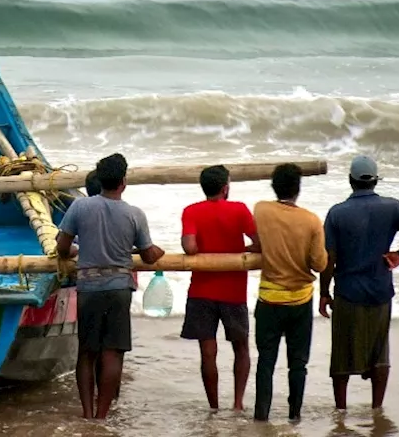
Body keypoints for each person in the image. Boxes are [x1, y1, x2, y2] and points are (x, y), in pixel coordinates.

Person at [55, 153, 165, 420]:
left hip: (88, 286)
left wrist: (76, 252)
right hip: (118, 288)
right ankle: (102, 416)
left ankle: (87, 413)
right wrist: (158, 251)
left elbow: (62, 247)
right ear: (123, 181)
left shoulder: (80, 207)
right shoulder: (134, 214)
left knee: (87, 352)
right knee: (113, 352)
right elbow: (149, 255)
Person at [319, 155, 399, 410]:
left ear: (351, 181)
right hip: (381, 290)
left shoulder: (337, 213)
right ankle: (376, 408)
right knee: (380, 353)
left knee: (342, 355)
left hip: (348, 292)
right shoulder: (393, 208)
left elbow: (329, 258)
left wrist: (324, 293)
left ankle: (341, 410)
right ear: (375, 182)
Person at [180, 165, 259, 412]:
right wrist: (240, 251)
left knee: (207, 351)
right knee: (241, 347)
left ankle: (213, 406)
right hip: (233, 290)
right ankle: (237, 403)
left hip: (201, 289)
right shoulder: (239, 209)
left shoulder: (191, 211)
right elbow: (259, 243)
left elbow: (190, 248)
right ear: (226, 187)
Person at [252, 163, 327, 423]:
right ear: (298, 189)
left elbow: (259, 240)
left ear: (274, 187)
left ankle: (261, 416)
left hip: (269, 298)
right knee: (298, 364)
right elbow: (319, 264)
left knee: (266, 362)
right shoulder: (311, 220)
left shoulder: (261, 209)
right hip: (300, 301)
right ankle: (294, 415)